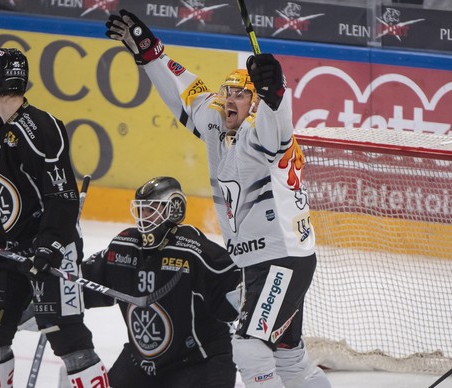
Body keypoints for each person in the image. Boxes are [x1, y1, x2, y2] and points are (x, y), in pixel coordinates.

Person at [104, 10, 332, 388]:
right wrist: (149, 52)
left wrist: (276, 91)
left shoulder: (263, 134)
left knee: (247, 347)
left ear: (254, 105)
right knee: (288, 358)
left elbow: (278, 121)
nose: (230, 100)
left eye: (241, 94)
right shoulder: (216, 120)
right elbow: (184, 89)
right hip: (259, 263)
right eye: (227, 91)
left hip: (282, 258)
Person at [0, 47, 108, 387]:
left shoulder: (43, 127)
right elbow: (0, 189)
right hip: (4, 252)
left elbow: (62, 197)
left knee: (70, 343)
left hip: (50, 252)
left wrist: (48, 246)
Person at [80, 176, 241, 387]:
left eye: (152, 209)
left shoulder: (193, 251)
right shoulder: (123, 246)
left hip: (199, 361)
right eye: (142, 209)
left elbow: (238, 292)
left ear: (174, 209)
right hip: (142, 363)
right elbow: (82, 285)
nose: (144, 215)